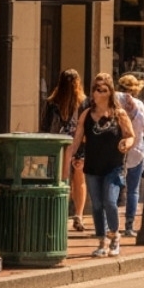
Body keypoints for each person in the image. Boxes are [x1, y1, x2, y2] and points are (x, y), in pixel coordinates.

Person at [72, 73, 136, 257]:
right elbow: (77, 139)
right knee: (97, 205)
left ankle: (114, 236)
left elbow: (130, 135)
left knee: (110, 201)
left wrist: (126, 144)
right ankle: (102, 241)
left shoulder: (119, 114)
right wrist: (72, 156)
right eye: (95, 89)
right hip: (93, 165)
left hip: (114, 166)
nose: (98, 93)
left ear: (110, 92)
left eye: (102, 89)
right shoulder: (86, 114)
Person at [43, 68, 87, 231]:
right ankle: (78, 215)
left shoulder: (52, 102)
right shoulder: (84, 102)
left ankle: (61, 213)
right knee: (79, 179)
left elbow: (45, 127)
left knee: (61, 178)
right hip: (78, 144)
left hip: (57, 146)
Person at [116, 73, 144, 236]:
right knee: (133, 190)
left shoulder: (113, 101)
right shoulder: (139, 104)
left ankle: (110, 225)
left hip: (116, 149)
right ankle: (129, 225)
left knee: (113, 188)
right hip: (136, 150)